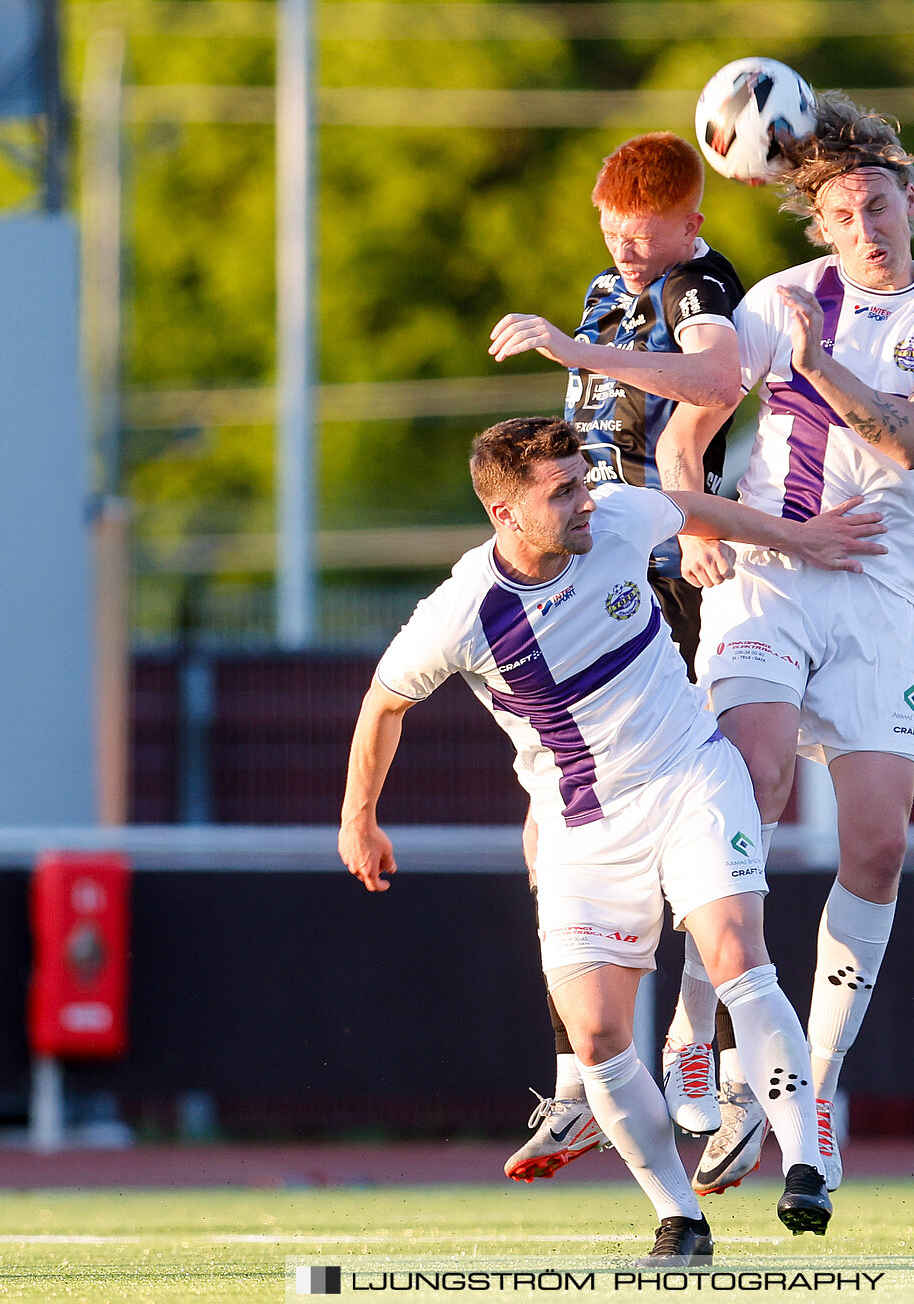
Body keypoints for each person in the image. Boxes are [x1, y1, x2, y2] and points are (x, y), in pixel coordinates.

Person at [337, 417, 886, 1263]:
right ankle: (679, 1216)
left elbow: (704, 512)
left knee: (738, 950)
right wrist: (358, 818)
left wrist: (797, 537)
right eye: (562, 492)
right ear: (503, 513)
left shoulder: (620, 517)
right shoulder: (459, 612)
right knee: (595, 1036)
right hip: (582, 830)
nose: (587, 501)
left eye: (583, 481)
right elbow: (383, 703)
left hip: (690, 778)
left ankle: (807, 1161)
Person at [666, 92, 914, 1196]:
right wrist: (699, 520)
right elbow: (688, 434)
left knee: (878, 844)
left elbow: (907, 439)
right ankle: (704, 1043)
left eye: (880, 203)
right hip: (769, 573)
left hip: (873, 593)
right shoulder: (774, 300)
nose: (866, 225)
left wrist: (819, 368)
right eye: (844, 211)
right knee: (748, 783)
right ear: (817, 224)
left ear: (913, 201)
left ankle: (809, 1083)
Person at [488, 132, 744, 1170]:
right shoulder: (604, 284)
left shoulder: (701, 282)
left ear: (690, 222)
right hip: (580, 581)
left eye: (646, 237)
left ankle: (707, 1063)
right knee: (556, 830)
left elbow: (712, 372)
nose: (628, 253)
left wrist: (576, 350)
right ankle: (580, 1078)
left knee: (682, 827)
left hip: (656, 585)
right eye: (614, 231)